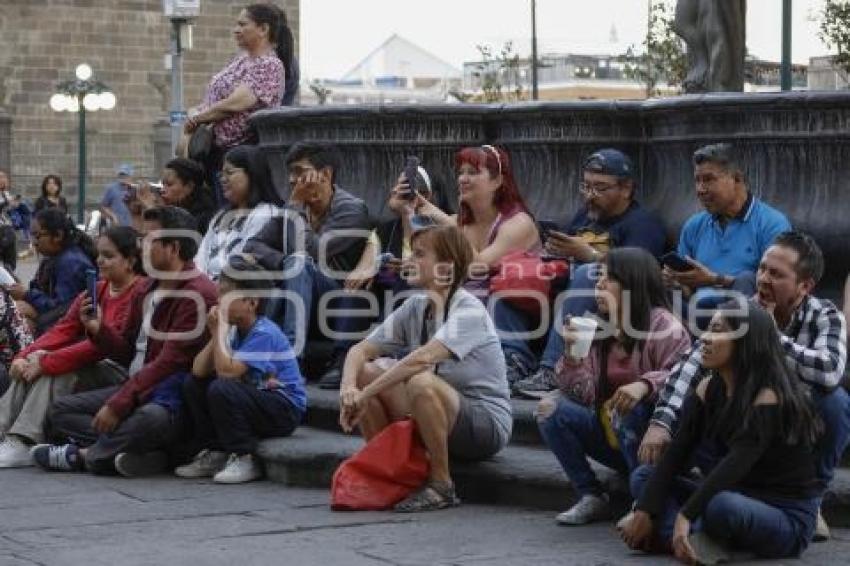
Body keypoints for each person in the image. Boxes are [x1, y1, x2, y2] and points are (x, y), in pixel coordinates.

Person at [641, 231, 848, 540]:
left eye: (776, 274)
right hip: (735, 441)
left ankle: (811, 501)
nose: (763, 279)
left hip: (786, 449)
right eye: (762, 269)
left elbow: (830, 370)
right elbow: (691, 363)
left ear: (804, 286)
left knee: (836, 403)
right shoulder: (738, 311)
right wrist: (661, 422)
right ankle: (691, 535)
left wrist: (767, 334)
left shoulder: (824, 314)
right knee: (644, 477)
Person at [623, 303, 823, 563]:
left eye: (717, 330)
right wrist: (644, 510)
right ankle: (693, 542)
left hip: (784, 516)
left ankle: (677, 535)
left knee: (723, 506)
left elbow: (734, 465)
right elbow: (677, 452)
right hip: (731, 493)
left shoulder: (770, 396)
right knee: (644, 477)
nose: (704, 338)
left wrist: (685, 516)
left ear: (745, 341)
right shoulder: (708, 388)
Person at [32, 206, 217, 477]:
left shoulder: (198, 294)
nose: (140, 245)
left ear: (173, 248)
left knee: (149, 420)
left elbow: (169, 363)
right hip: (134, 385)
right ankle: (139, 453)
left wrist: (118, 405)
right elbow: (126, 351)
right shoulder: (146, 287)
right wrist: (99, 329)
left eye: (148, 239)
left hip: (168, 398)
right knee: (60, 411)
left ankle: (86, 455)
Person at [339, 225, 512, 512]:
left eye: (420, 255)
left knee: (419, 381)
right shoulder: (415, 306)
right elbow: (359, 351)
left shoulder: (469, 310)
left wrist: (365, 394)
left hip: (484, 424)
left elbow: (421, 360)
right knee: (365, 371)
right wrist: (349, 388)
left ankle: (442, 484)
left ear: (446, 268)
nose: (409, 261)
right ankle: (389, 473)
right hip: (436, 410)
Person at [536, 248, 691, 525]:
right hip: (613, 434)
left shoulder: (665, 327)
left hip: (657, 441)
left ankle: (644, 501)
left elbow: (685, 377)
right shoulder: (599, 327)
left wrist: (644, 385)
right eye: (598, 279)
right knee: (551, 408)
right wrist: (572, 358)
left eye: (609, 279)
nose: (599, 285)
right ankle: (591, 495)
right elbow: (583, 395)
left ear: (633, 283)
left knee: (626, 407)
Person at [512, 149, 668, 397]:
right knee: (514, 274)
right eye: (586, 187)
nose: (590, 196)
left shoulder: (643, 224)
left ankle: (551, 369)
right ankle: (513, 360)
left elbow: (640, 275)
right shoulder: (585, 216)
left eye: (600, 188)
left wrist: (591, 256)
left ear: (626, 189)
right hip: (573, 286)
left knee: (588, 273)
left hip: (614, 299)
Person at [0, 227, 146, 467]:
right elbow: (63, 329)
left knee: (52, 368)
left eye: (109, 256)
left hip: (120, 369)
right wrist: (24, 356)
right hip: (93, 364)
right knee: (36, 356)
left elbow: (101, 347)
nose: (100, 261)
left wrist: (46, 362)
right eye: (99, 255)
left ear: (130, 261)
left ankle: (23, 439)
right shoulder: (97, 289)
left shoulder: (139, 292)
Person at [244, 142, 371, 385]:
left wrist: (295, 210)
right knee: (255, 268)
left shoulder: (352, 209)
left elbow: (313, 250)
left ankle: (291, 361)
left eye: (300, 171)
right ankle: (250, 356)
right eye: (290, 172)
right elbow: (253, 246)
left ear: (325, 174)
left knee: (299, 262)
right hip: (296, 299)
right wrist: (284, 261)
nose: (292, 180)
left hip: (335, 303)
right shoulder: (295, 207)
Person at [414, 146, 540, 384]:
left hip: (512, 312)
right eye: (461, 172)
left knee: (498, 290)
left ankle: (515, 360)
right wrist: (406, 210)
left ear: (497, 181)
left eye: (472, 172)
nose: (462, 178)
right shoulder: (459, 224)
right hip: (469, 313)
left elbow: (478, 266)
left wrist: (444, 221)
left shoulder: (519, 222)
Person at [320, 164, 451, 389]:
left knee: (407, 281)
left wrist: (410, 212)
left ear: (424, 195)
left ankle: (397, 357)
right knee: (356, 288)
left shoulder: (438, 228)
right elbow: (361, 270)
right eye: (395, 186)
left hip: (419, 293)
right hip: (383, 295)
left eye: (403, 188)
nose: (394, 191)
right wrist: (373, 266)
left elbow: (426, 265)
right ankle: (342, 358)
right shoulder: (384, 230)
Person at [177, 255, 305, 483]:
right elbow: (198, 371)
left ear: (252, 303)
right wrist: (216, 333)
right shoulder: (235, 331)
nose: (219, 300)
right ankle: (216, 451)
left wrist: (219, 332)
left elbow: (227, 373)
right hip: (255, 399)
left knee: (222, 388)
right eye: (220, 293)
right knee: (193, 384)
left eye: (227, 294)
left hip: (284, 408)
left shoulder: (264, 332)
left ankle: (245, 456)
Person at [663, 143, 791, 329]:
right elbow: (686, 291)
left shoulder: (772, 224)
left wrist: (716, 280)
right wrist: (676, 281)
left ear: (737, 178)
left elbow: (775, 289)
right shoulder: (694, 225)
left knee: (747, 279)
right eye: (697, 180)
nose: (700, 189)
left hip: (747, 320)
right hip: (696, 314)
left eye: (708, 179)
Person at [183, 3, 285, 204]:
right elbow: (216, 98)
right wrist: (197, 113)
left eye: (242, 24)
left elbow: (237, 103)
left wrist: (198, 118)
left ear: (263, 29)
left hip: (240, 156)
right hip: (216, 153)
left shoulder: (269, 64)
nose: (236, 30)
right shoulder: (240, 60)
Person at [195, 145, 281, 281]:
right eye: (221, 174)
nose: (223, 179)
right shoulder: (221, 215)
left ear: (252, 173)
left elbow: (243, 257)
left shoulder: (266, 213)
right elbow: (202, 256)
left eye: (229, 173)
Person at [5, 208, 97, 334]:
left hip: (70, 329)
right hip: (51, 318)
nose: (34, 243)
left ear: (58, 235)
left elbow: (61, 309)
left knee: (16, 319)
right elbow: (37, 288)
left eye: (38, 236)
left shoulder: (71, 262)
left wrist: (27, 295)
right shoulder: (52, 256)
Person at [135, 157, 218, 234]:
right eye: (163, 184)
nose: (163, 190)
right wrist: (136, 214)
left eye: (169, 184)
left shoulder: (204, 217)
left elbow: (161, 242)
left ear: (189, 186)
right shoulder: (173, 208)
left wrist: (152, 209)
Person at [99, 163, 134, 228]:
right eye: (121, 174)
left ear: (130, 176)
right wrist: (113, 216)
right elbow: (103, 206)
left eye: (124, 175)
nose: (122, 176)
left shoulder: (134, 189)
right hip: (116, 226)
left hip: (131, 226)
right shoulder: (111, 188)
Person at [0, 169, 19, 271]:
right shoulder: (6, 198)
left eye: (4, 177)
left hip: (8, 230)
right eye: (0, 177)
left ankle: (9, 279)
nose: (2, 180)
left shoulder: (7, 194)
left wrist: (15, 206)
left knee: (10, 263)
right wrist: (7, 203)